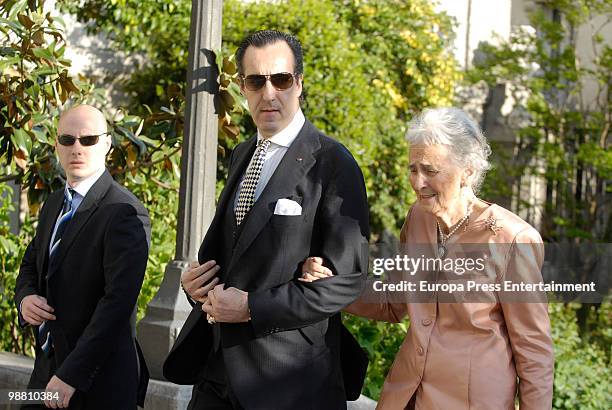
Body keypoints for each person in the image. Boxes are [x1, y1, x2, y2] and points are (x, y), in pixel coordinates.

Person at [163, 30, 370, 409]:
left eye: (281, 79)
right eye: (256, 81)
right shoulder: (243, 153)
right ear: (243, 87)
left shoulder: (333, 162)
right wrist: (199, 287)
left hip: (287, 382)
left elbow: (348, 281)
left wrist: (252, 307)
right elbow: (236, 251)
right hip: (216, 371)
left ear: (300, 84)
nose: (268, 92)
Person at [302, 107, 555, 409]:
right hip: (407, 396)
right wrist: (333, 286)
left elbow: (534, 353)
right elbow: (394, 302)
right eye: (413, 168)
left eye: (430, 171)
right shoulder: (419, 218)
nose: (417, 182)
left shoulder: (512, 240)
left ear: (468, 170)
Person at [14, 105, 150, 409]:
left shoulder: (125, 212)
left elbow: (117, 304)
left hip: (97, 383)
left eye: (88, 140)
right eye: (68, 140)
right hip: (45, 373)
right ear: (56, 146)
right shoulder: (53, 203)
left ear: (106, 145)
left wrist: (72, 375)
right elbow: (30, 265)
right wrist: (25, 299)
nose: (77, 148)